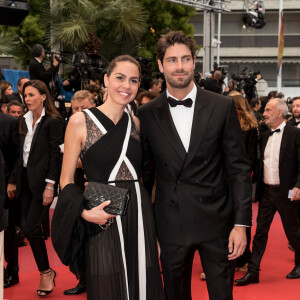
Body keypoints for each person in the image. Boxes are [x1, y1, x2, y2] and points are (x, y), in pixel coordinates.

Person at [137, 31, 252, 300]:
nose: (180, 66)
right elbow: (144, 176)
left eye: (185, 59)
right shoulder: (146, 114)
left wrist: (241, 224)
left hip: (218, 222)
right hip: (170, 224)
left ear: (194, 62)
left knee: (222, 295)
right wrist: (148, 231)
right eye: (172, 60)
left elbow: (238, 170)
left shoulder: (222, 107)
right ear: (160, 64)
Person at [52, 55, 165, 300]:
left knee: (143, 284)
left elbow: (143, 178)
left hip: (139, 214)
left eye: (133, 80)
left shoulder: (136, 122)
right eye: (120, 78)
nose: (126, 86)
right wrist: (83, 213)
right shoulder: (80, 121)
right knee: (106, 285)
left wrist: (153, 233)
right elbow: (66, 180)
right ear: (106, 79)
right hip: (103, 216)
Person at [235, 98, 300, 286]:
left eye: (268, 110)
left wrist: (298, 186)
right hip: (266, 193)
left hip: (286, 192)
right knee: (260, 233)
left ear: (279, 112)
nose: (264, 113)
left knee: (293, 231)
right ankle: (253, 272)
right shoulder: (263, 135)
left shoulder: (295, 134)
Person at [16, 80, 64, 296]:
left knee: (30, 229)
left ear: (44, 96)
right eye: (25, 95)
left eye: (32, 94)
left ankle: (46, 272)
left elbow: (56, 156)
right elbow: (21, 154)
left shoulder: (53, 121)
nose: (27, 99)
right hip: (23, 181)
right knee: (31, 229)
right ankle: (46, 272)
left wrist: (50, 185)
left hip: (42, 182)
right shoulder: (23, 121)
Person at [63, 90, 95, 296]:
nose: (79, 112)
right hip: (76, 188)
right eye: (75, 108)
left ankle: (94, 279)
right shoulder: (72, 126)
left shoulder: (103, 126)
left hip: (97, 188)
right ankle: (82, 279)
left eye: (84, 108)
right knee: (79, 235)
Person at [230, 91, 258, 270]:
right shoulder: (227, 125)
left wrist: (240, 174)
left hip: (241, 179)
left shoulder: (250, 128)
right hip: (225, 178)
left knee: (241, 217)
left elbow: (250, 157)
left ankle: (242, 258)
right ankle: (236, 258)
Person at [0, 112, 19, 288]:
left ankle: (12, 271)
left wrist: (12, 181)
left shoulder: (9, 122)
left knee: (8, 229)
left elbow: (16, 156)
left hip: (4, 184)